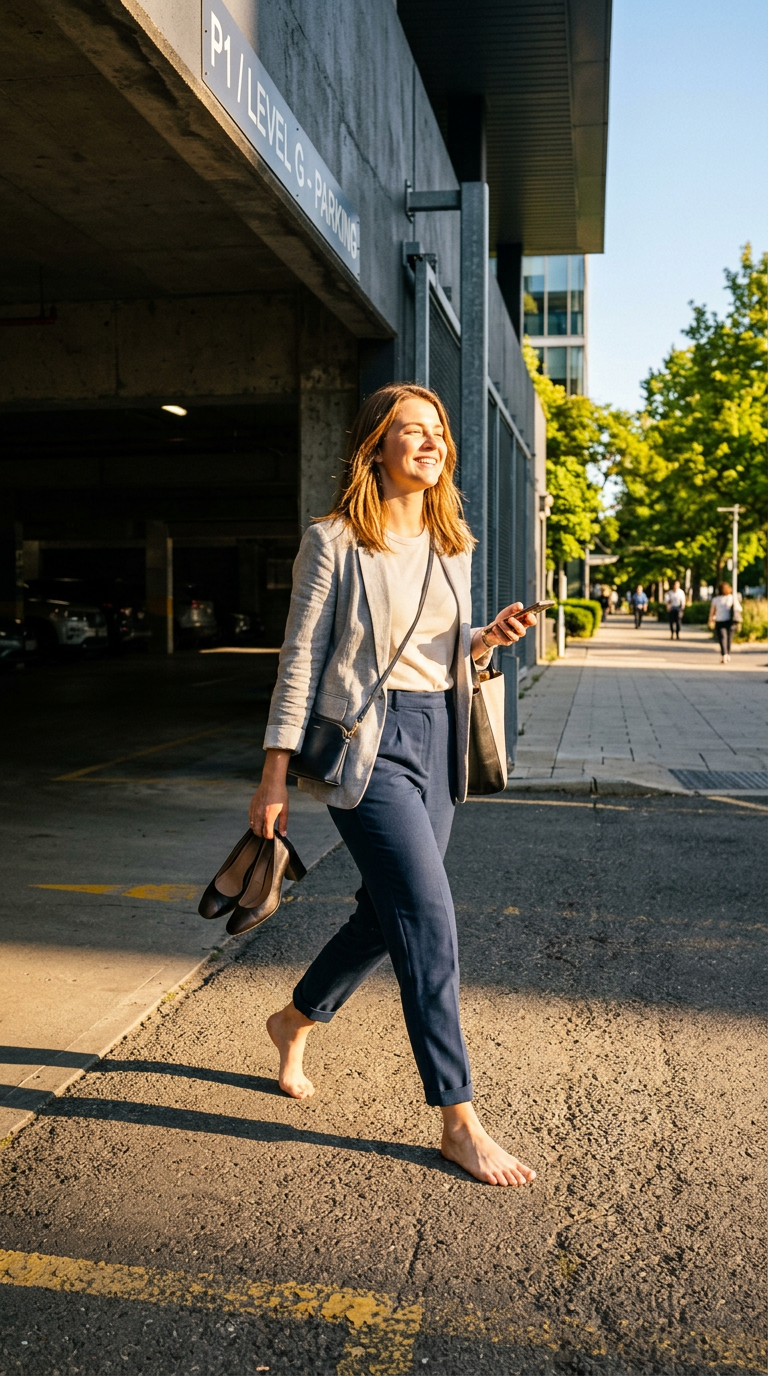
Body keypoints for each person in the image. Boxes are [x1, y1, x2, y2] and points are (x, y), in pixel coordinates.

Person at [249, 383, 538, 1188]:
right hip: (364, 748)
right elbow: (300, 662)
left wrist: (484, 644)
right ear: (375, 445)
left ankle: (294, 1017)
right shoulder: (334, 540)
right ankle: (459, 1118)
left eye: (437, 432)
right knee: (429, 916)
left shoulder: (454, 545)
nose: (430, 442)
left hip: (437, 740)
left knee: (386, 914)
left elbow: (441, 655)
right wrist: (273, 776)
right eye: (411, 431)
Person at [709, 581, 741, 663]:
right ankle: (725, 654)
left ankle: (725, 654)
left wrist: (710, 620)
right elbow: (739, 609)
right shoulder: (731, 598)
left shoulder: (716, 599)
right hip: (728, 621)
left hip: (723, 621)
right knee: (726, 639)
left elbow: (712, 611)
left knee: (724, 639)